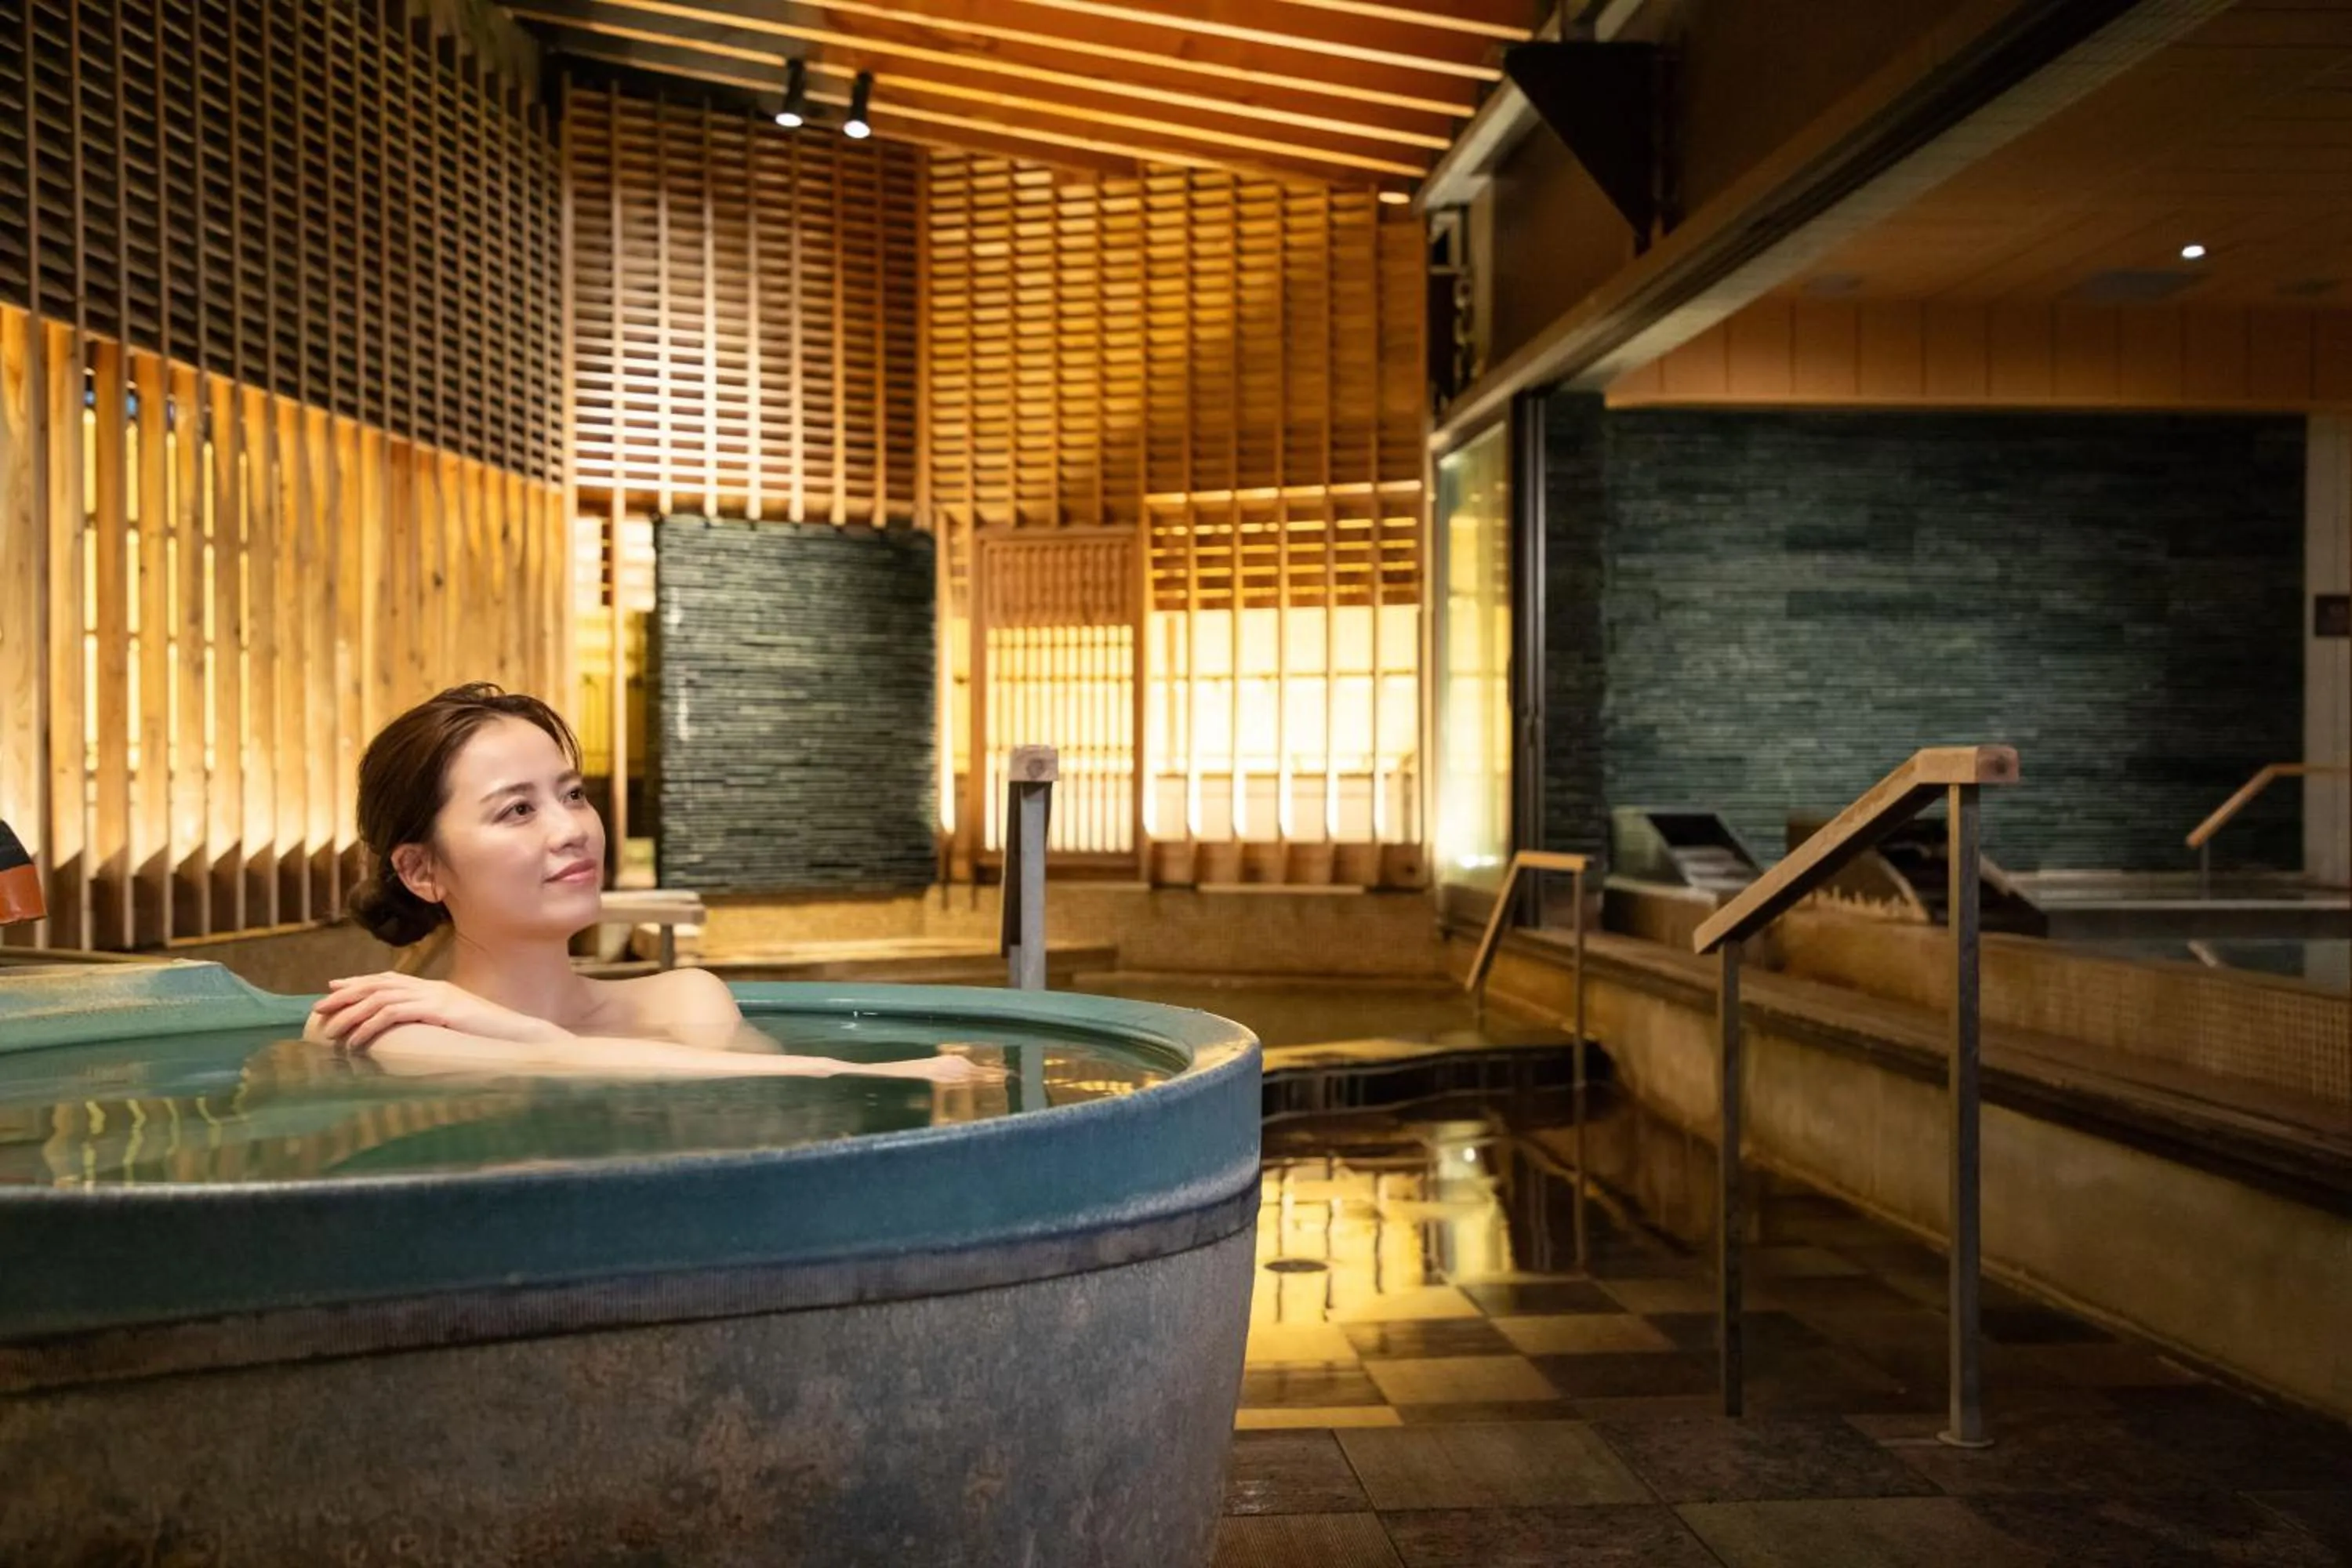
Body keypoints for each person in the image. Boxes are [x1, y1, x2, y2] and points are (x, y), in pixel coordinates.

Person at [307, 683, 998, 1086]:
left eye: (573, 795)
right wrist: (871, 1075)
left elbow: (754, 1120)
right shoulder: (381, 1025)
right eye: (518, 809)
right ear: (422, 870)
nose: (572, 829)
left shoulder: (683, 995)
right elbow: (564, 1073)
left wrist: (518, 1033)